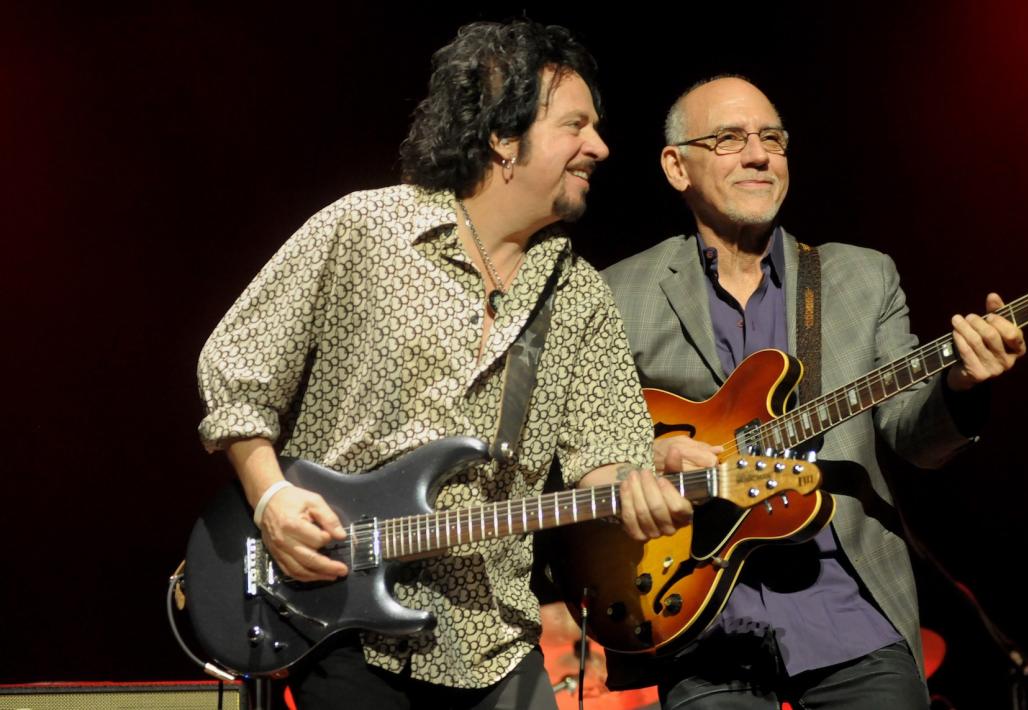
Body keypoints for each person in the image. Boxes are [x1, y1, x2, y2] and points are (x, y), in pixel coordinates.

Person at [195, 20, 688, 710]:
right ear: (501, 134)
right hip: (339, 622)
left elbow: (603, 454)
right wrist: (270, 496)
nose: (599, 147)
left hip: (496, 637)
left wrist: (638, 486)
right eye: (575, 125)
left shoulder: (578, 294)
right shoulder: (364, 229)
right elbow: (237, 365)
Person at [599, 76, 1027, 709]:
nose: (757, 154)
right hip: (696, 614)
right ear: (676, 166)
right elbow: (581, 447)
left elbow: (914, 438)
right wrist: (652, 458)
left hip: (848, 612)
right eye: (728, 139)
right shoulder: (615, 292)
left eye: (772, 138)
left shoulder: (860, 275)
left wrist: (960, 384)